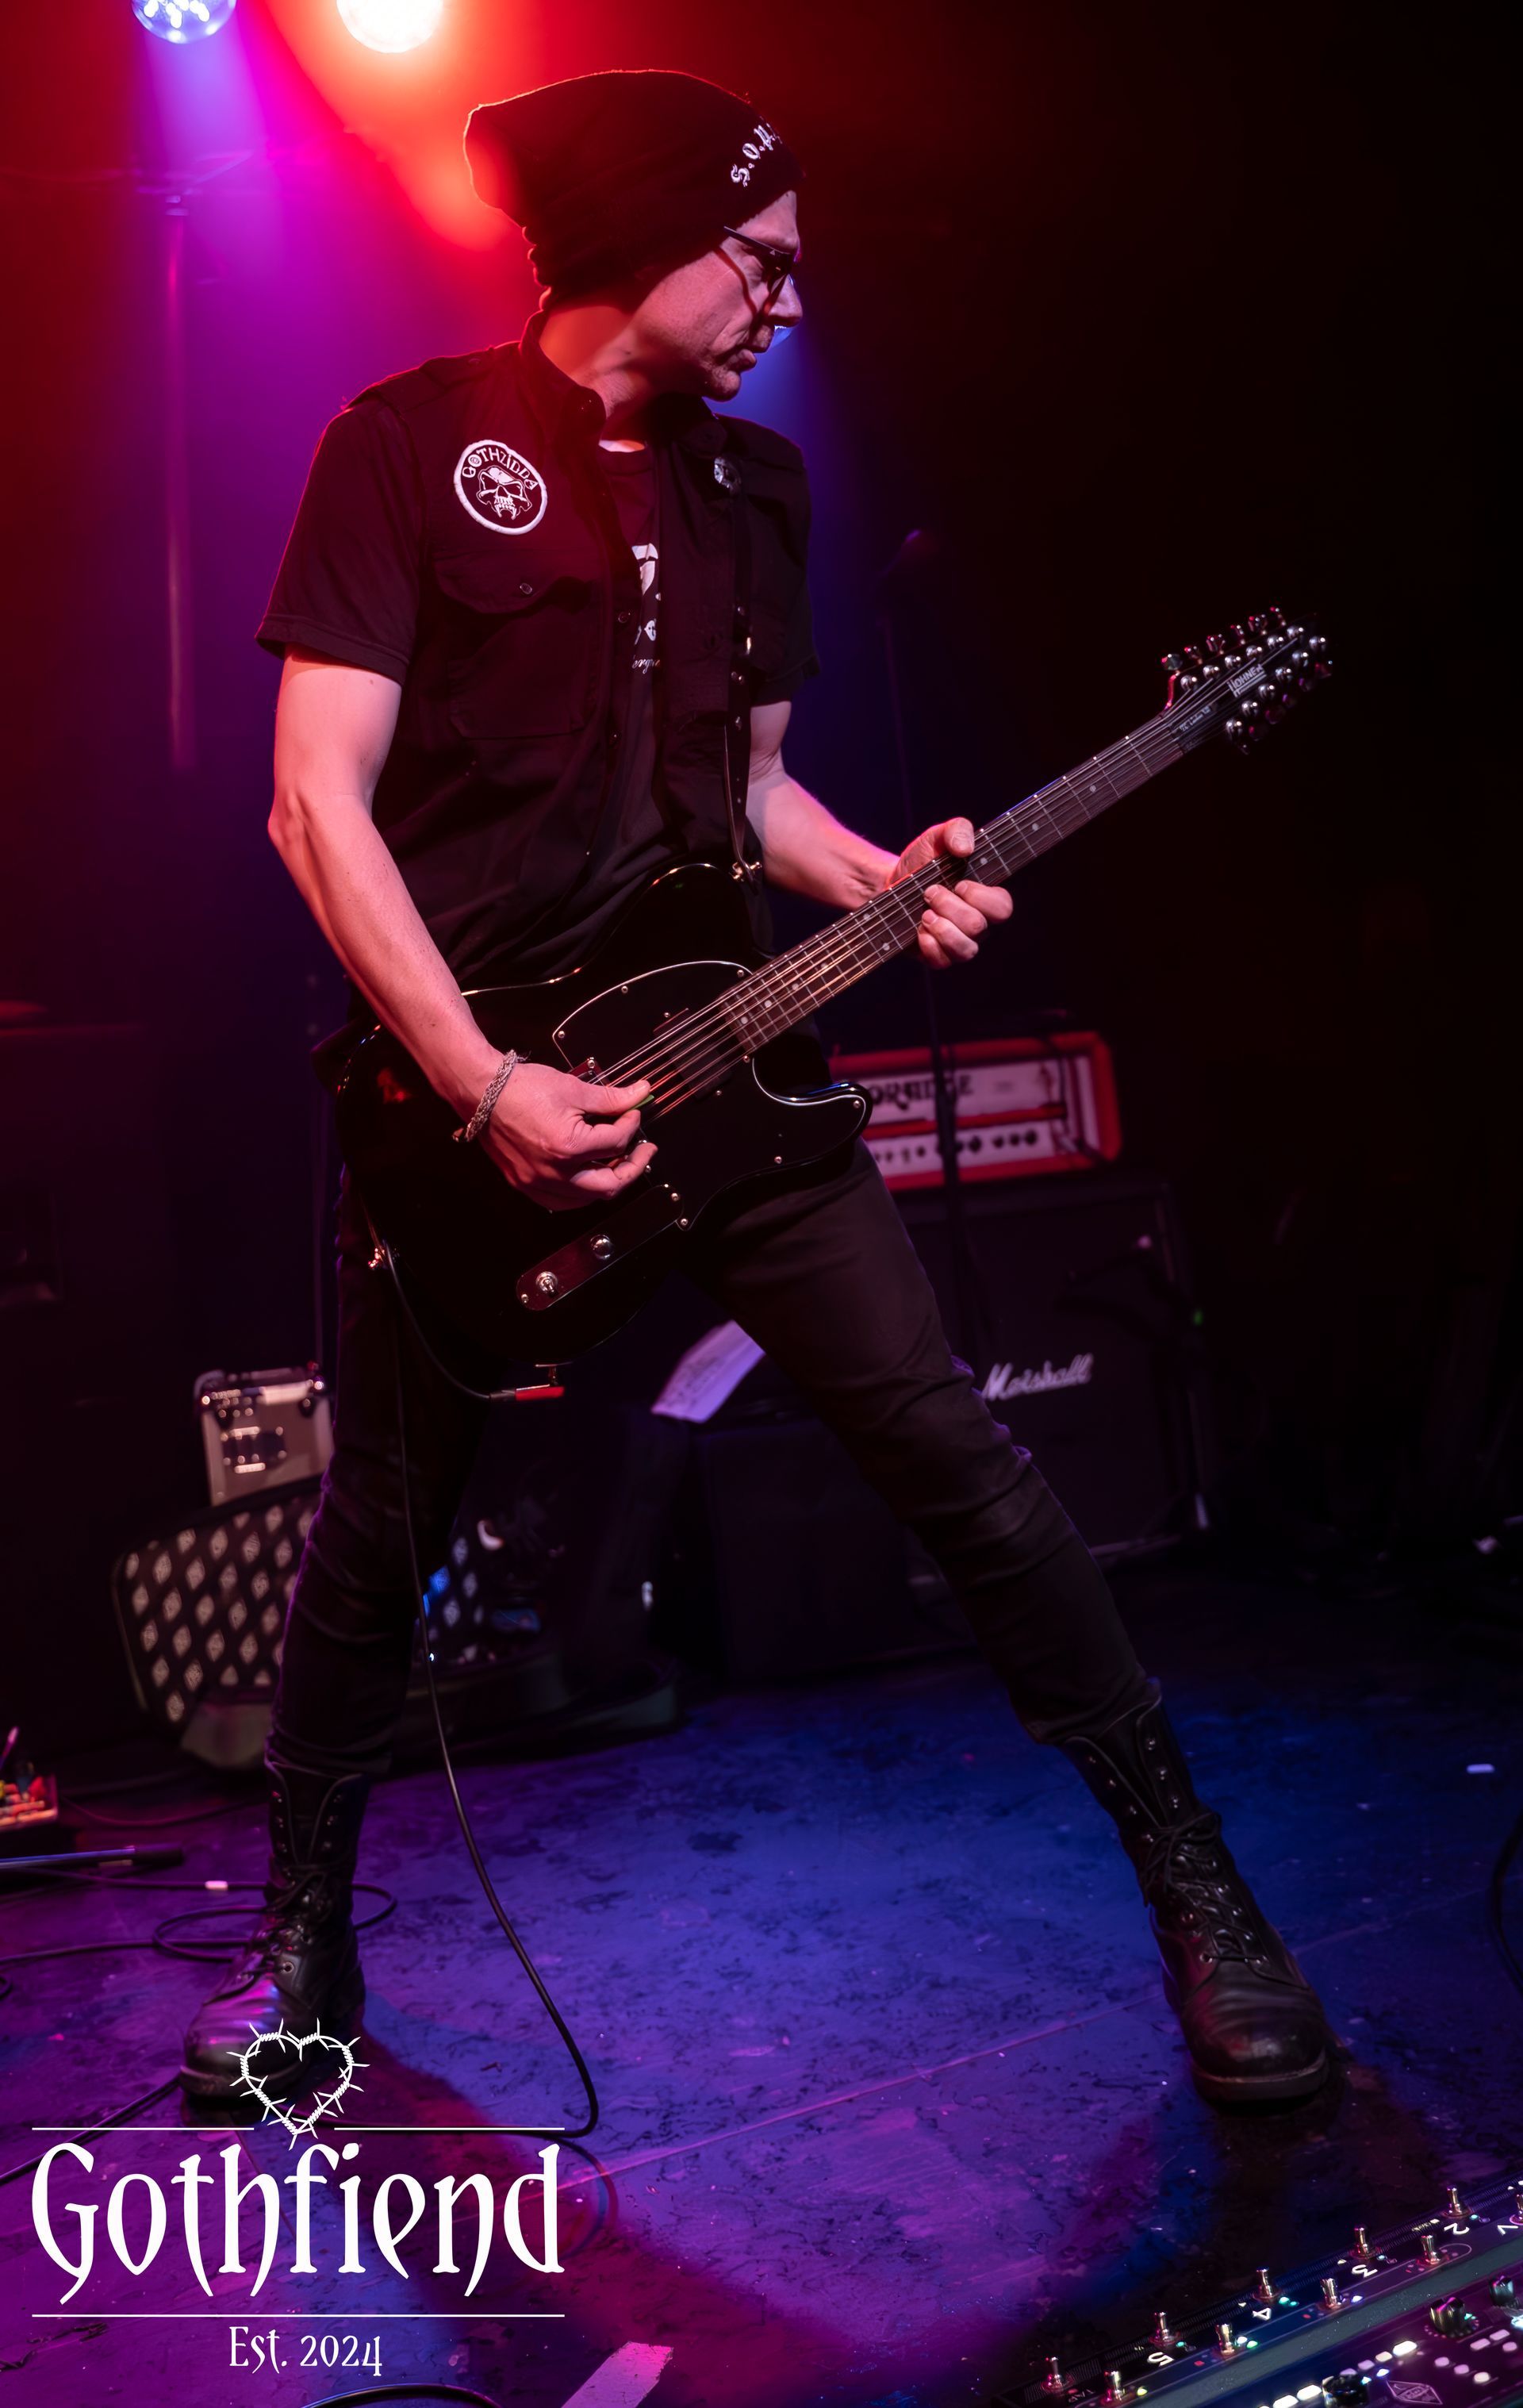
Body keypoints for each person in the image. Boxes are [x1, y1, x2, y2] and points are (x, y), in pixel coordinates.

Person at [181, 70, 1329, 2110]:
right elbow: (311, 805)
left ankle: (1204, 1900)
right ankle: (302, 1950)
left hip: (734, 1066)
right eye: (764, 259)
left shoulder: (760, 490)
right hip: (465, 1105)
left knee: (962, 1463)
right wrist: (481, 1081)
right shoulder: (407, 446)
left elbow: (758, 790)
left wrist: (888, 878)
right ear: (647, 235)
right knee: (384, 1533)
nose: (793, 300)